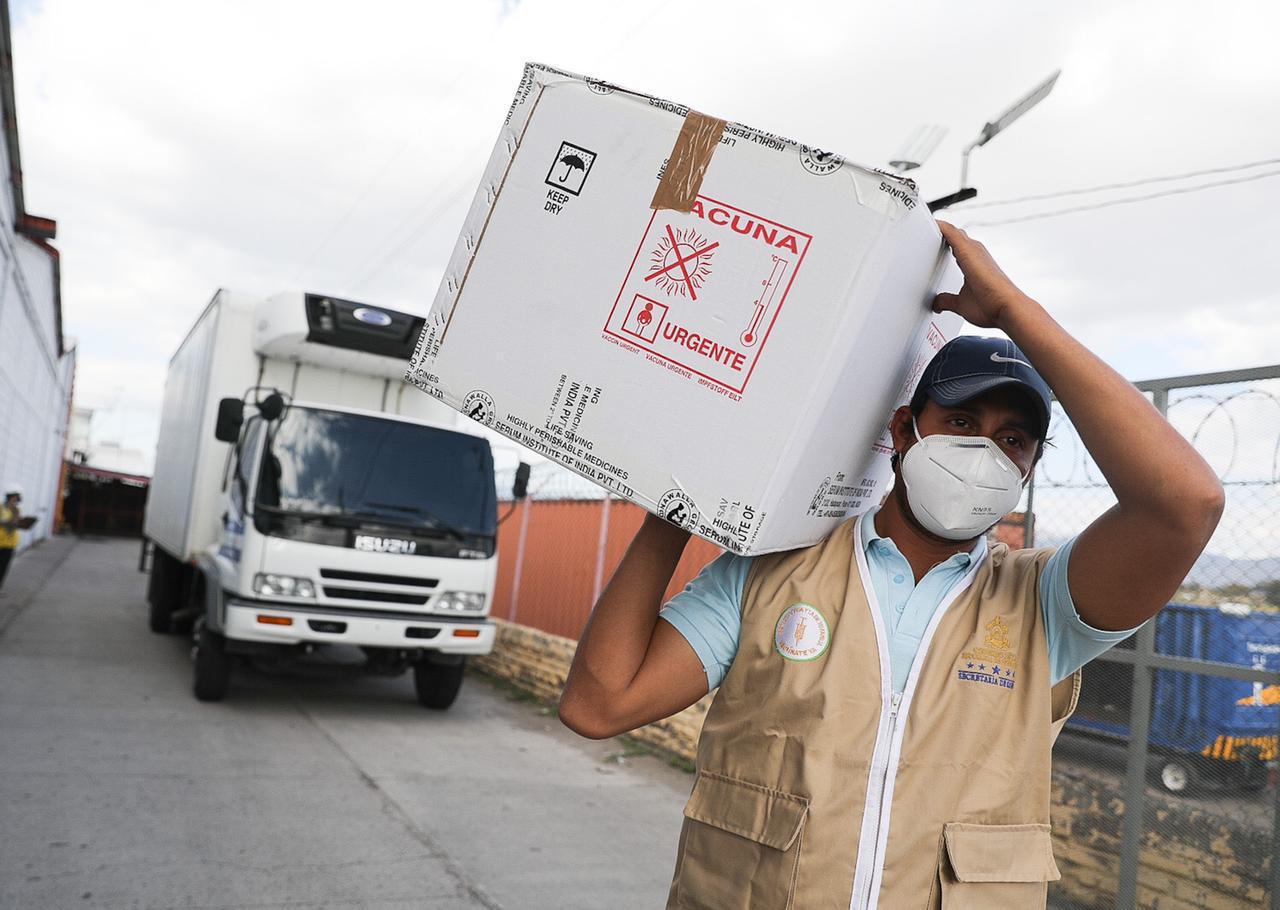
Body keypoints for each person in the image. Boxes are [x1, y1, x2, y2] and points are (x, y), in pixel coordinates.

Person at [557, 222, 1225, 909]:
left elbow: (1187, 504)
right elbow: (598, 705)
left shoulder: (1046, 607)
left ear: (1028, 468)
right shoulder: (771, 573)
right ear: (906, 431)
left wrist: (1014, 314)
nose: (985, 453)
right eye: (963, 424)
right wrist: (675, 503)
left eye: (1013, 440)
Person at [1, 483, 28, 595]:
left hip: (11, 542)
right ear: (8, 497)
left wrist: (24, 523)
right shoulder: (1, 508)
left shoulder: (17, 511)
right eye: (13, 498)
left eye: (17, 499)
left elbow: (17, 524)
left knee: (3, 567)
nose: (15, 501)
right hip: (0, 541)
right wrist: (9, 522)